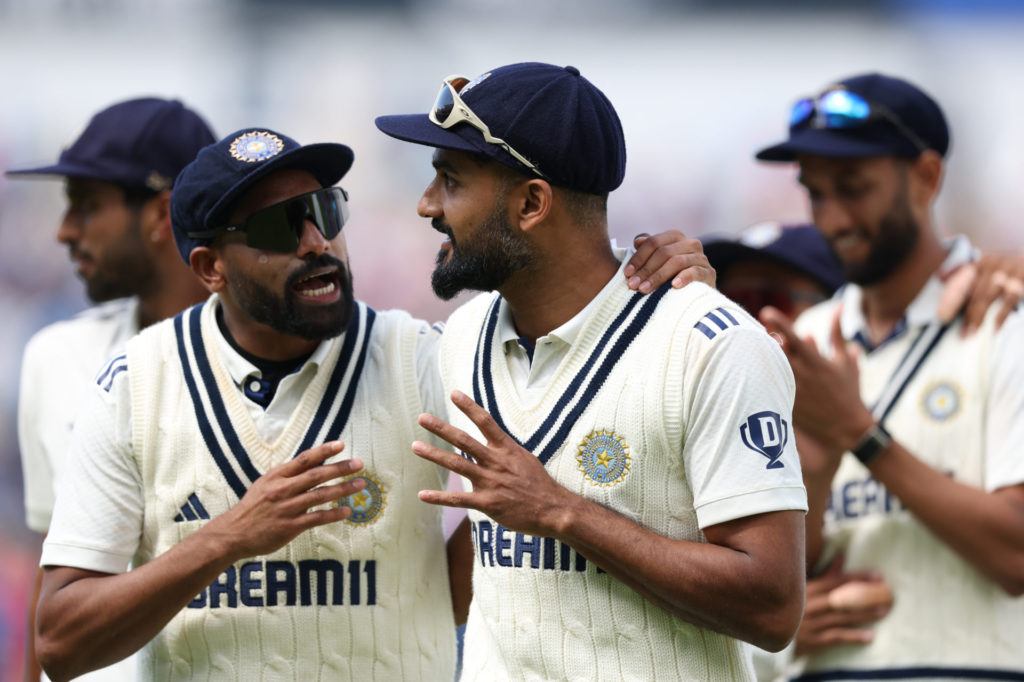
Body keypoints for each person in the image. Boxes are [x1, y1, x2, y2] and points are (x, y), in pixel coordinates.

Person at [33, 126, 713, 681]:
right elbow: (60, 642)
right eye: (278, 229)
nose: (317, 243)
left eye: (326, 211)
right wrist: (229, 538)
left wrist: (654, 288)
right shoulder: (132, 383)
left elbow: (572, 360)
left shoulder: (427, 356)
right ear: (211, 268)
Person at [375, 61, 808, 681]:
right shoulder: (461, 339)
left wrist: (560, 511)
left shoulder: (712, 345)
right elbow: (499, 557)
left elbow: (772, 607)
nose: (426, 206)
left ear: (531, 203)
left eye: (451, 181)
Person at [756, 72, 1024, 680]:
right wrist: (817, 482)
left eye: (854, 188)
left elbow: (1017, 555)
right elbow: (786, 575)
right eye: (815, 194)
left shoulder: (1005, 319)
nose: (832, 219)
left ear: (927, 177)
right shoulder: (806, 339)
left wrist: (860, 434)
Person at [6, 97, 215, 682]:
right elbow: (53, 571)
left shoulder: (284, 356)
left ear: (160, 213)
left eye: (88, 206)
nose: (64, 231)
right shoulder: (57, 357)